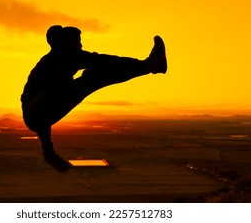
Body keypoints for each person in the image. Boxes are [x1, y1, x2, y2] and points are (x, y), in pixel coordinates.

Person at [21, 25, 167, 171]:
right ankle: (152, 65)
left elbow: (35, 104)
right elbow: (105, 61)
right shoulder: (67, 56)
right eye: (77, 41)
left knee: (94, 77)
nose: (80, 45)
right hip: (40, 111)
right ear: (67, 42)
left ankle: (151, 65)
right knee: (96, 77)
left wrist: (48, 150)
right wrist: (144, 65)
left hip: (35, 115)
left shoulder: (50, 60)